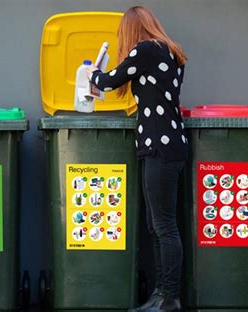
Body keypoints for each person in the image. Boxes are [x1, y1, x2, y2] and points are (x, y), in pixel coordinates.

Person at [86, 6, 188, 312]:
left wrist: (92, 73)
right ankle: (161, 295)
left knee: (164, 225)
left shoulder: (146, 50)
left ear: (131, 30)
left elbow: (109, 80)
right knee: (157, 224)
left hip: (160, 146)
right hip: (165, 145)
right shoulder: (171, 53)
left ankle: (169, 297)